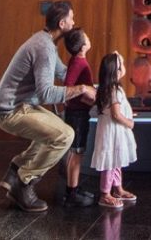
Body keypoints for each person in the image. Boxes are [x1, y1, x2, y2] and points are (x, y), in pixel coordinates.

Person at [0, 1, 97, 212]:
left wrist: (96, 83)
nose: (74, 22)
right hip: (10, 112)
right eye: (72, 18)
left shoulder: (45, 42)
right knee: (65, 135)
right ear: (62, 22)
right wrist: (82, 89)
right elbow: (46, 93)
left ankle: (15, 170)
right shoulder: (44, 48)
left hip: (22, 106)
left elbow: (65, 74)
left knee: (54, 131)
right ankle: (24, 183)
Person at [91, 51, 138, 209]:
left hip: (113, 131)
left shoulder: (111, 88)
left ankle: (117, 188)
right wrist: (129, 123)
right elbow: (116, 114)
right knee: (110, 160)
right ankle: (105, 193)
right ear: (116, 71)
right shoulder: (113, 90)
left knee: (116, 158)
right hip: (113, 130)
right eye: (121, 65)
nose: (124, 68)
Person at [61, 28, 95, 207]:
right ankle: (71, 193)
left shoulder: (79, 60)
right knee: (76, 153)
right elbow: (68, 88)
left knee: (77, 153)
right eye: (87, 37)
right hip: (77, 115)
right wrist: (85, 97)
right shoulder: (77, 63)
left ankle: (74, 188)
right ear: (82, 46)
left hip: (80, 113)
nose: (90, 38)